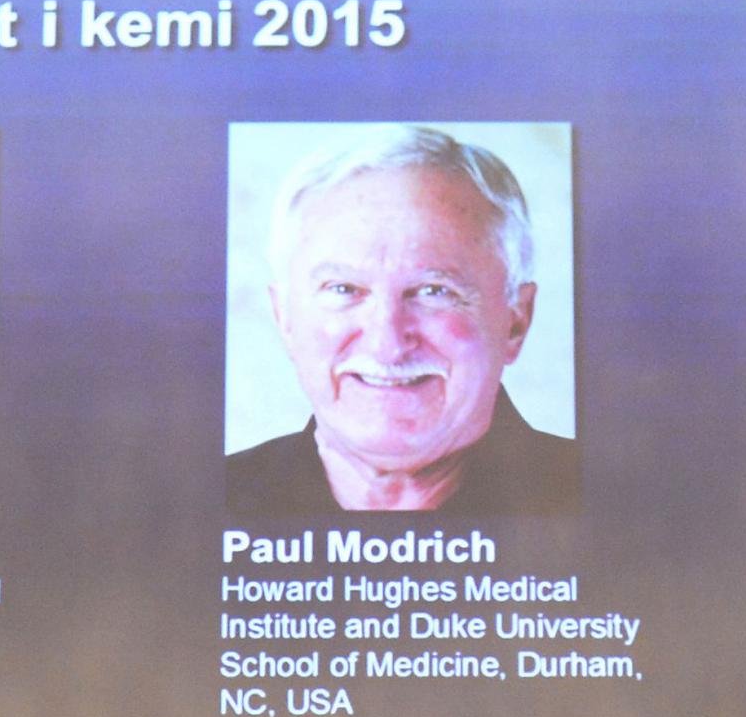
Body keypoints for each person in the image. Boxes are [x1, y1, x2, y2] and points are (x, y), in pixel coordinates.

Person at [229, 126, 576, 516]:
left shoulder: (607, 507)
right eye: (343, 289)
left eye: (433, 291)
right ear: (284, 318)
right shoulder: (207, 508)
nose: (386, 345)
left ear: (516, 321)